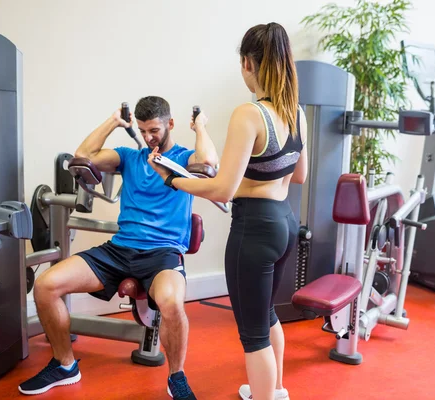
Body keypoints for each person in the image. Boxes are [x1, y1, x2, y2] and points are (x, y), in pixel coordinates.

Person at [18, 96, 219, 400]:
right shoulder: (129, 156)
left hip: (163, 253)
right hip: (120, 250)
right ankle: (65, 365)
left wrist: (201, 127)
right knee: (46, 285)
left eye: (154, 130)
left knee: (172, 303)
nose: (149, 137)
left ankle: (176, 377)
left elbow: (209, 164)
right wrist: (115, 121)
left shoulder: (184, 157)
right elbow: (83, 155)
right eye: (143, 130)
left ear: (170, 124)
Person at [149, 23, 308, 400]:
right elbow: (298, 174)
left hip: (254, 230)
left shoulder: (249, 114)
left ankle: (264, 395)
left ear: (248, 63)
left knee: (253, 337)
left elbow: (222, 188)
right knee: (267, 315)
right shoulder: (296, 112)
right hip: (283, 221)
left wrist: (174, 180)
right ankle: (276, 390)